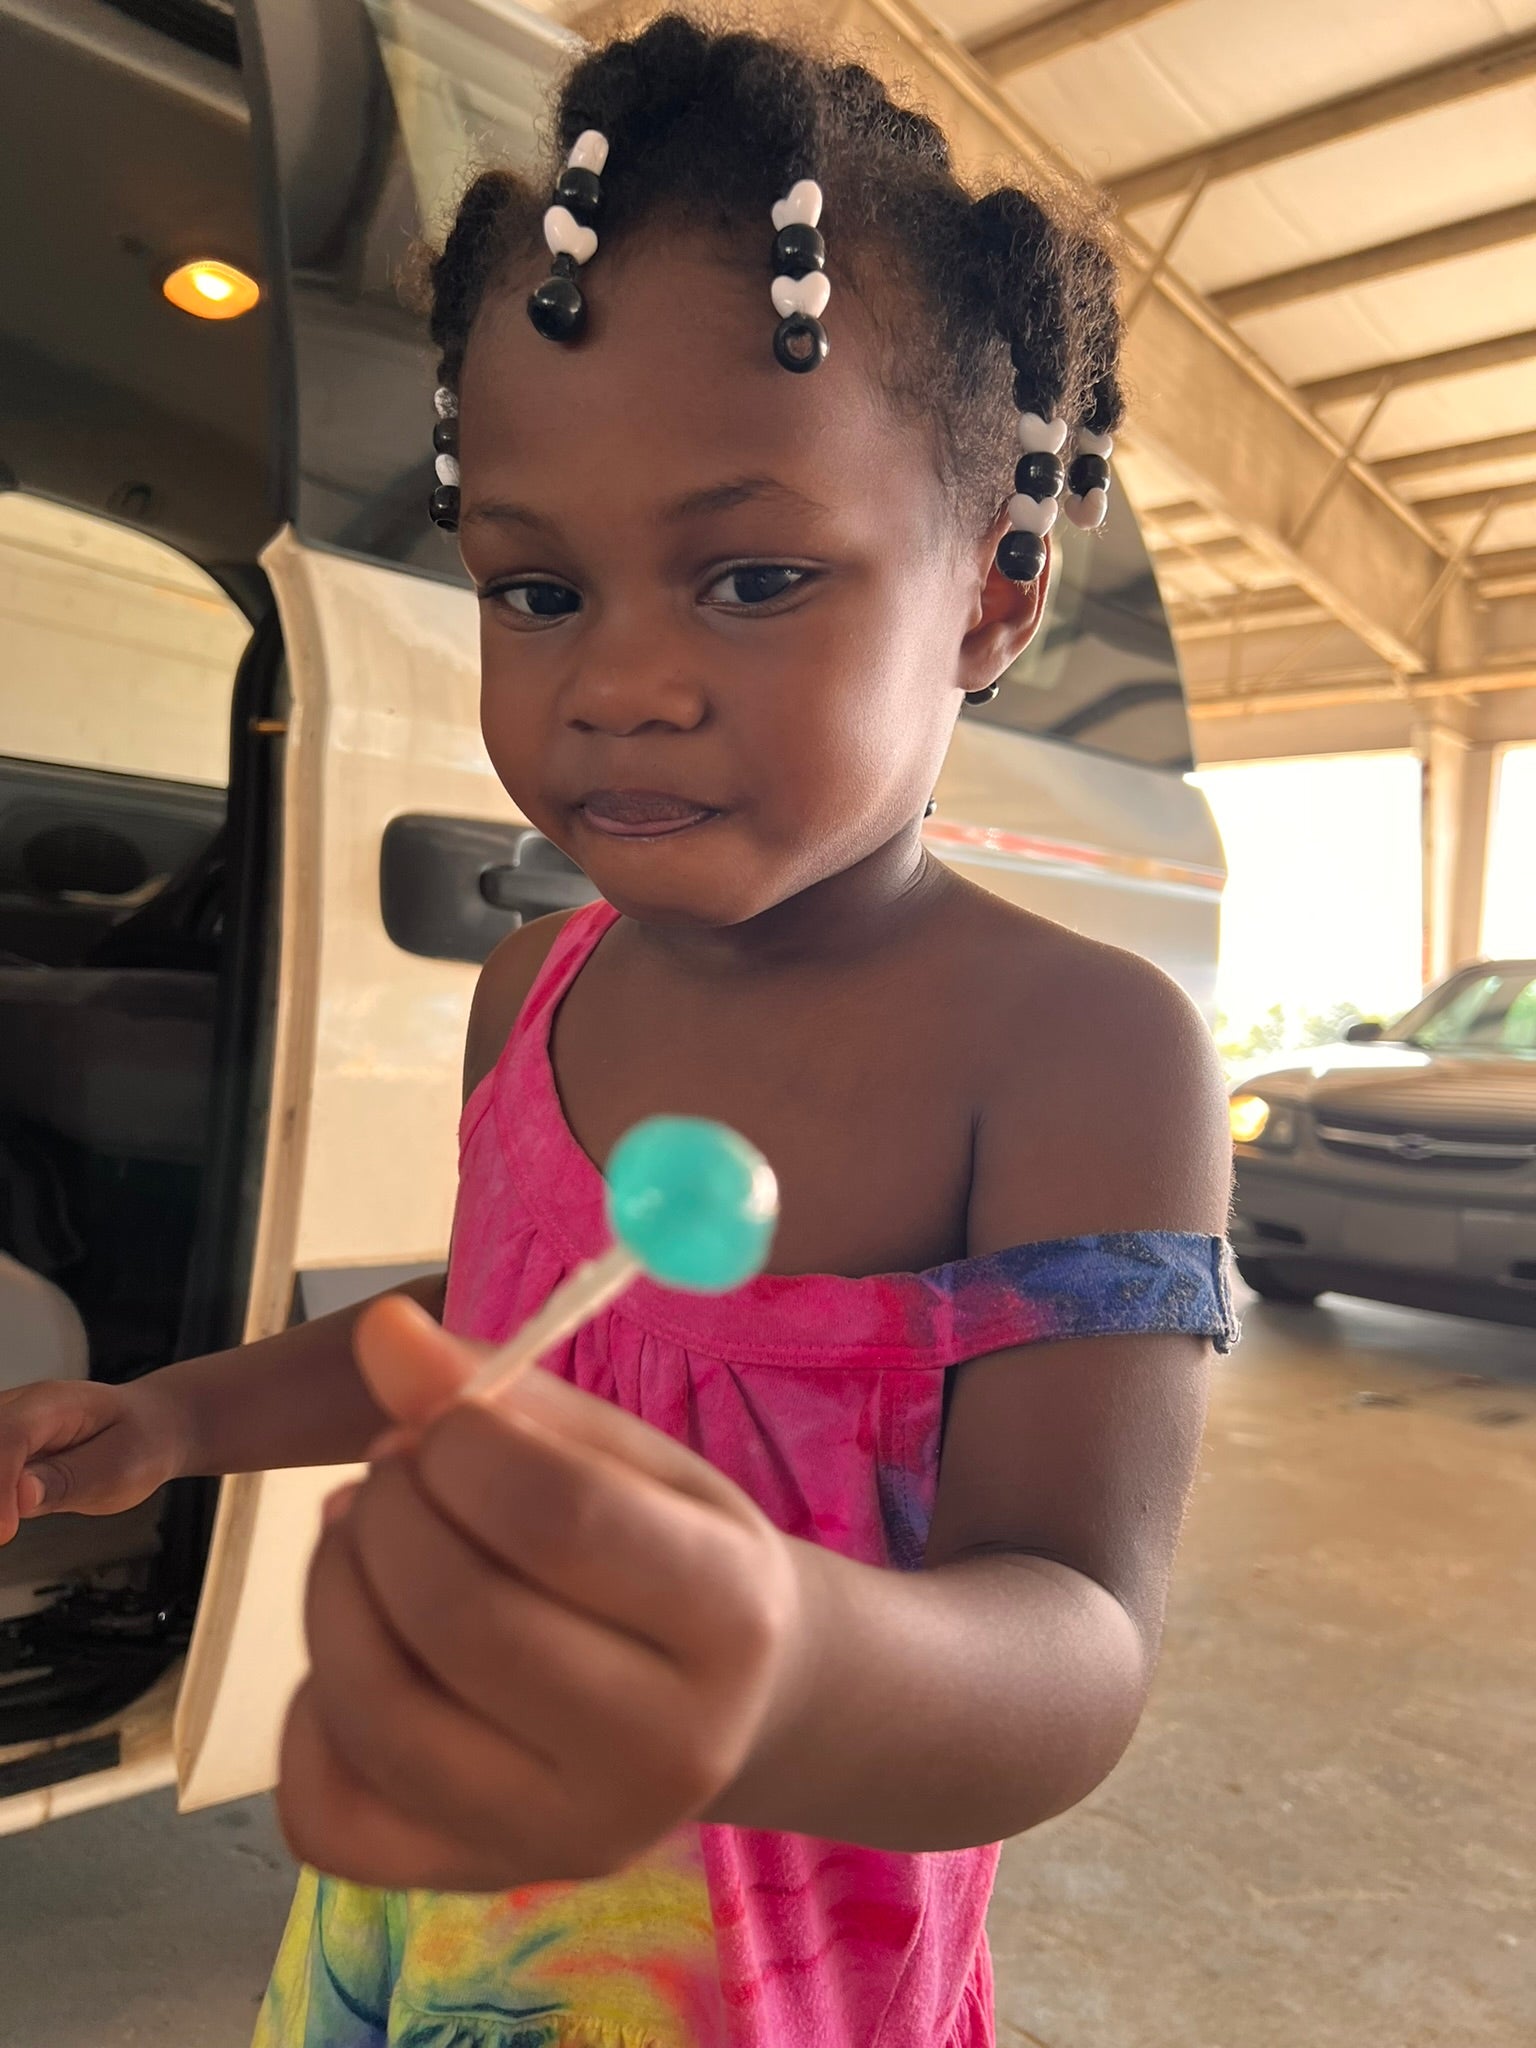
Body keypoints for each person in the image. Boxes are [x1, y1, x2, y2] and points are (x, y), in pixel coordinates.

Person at [0, 16, 1236, 2045]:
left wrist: (778, 1661)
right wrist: (180, 1418)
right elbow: (486, 1342)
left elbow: (1078, 1647)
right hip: (414, 1926)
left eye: (754, 577)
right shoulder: (537, 986)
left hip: (747, 1992)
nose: (620, 684)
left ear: (994, 600)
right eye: (537, 591)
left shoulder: (1083, 1055)